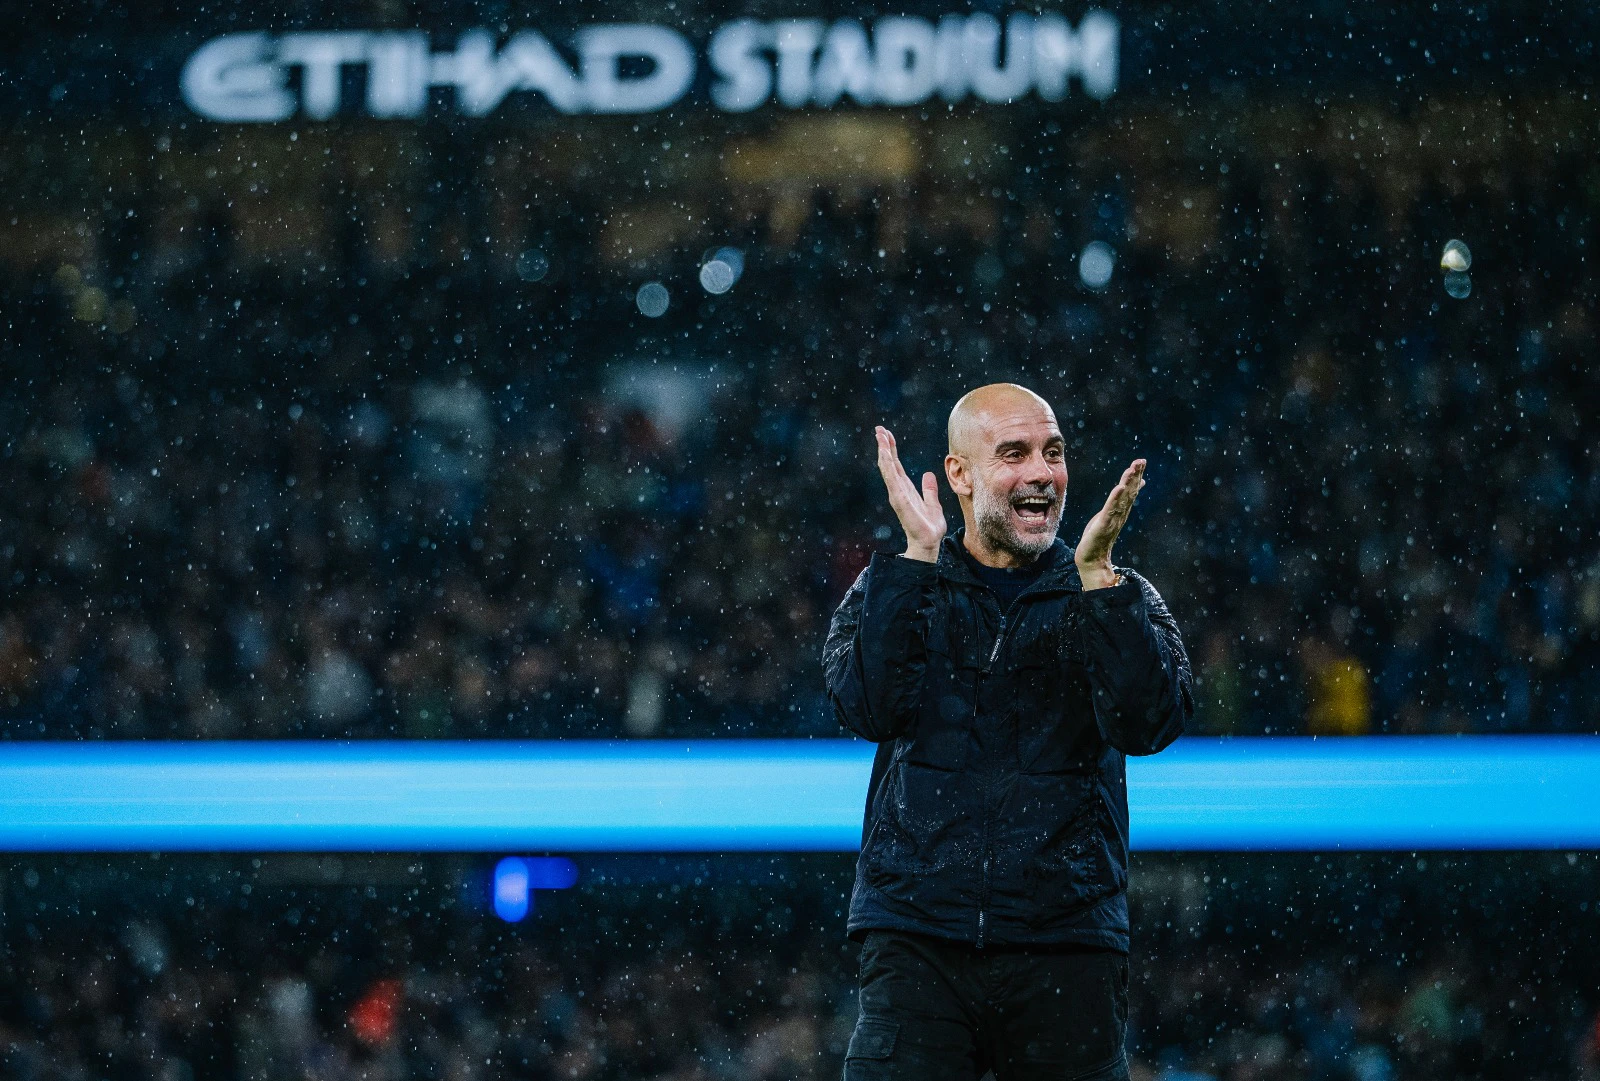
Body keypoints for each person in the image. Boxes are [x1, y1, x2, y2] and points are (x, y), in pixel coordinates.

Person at [823, 383, 1194, 1081]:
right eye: (1014, 453)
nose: (1041, 473)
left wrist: (1099, 585)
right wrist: (913, 564)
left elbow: (1150, 723)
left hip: (1066, 944)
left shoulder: (1113, 589)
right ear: (959, 474)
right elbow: (866, 709)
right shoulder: (900, 585)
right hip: (917, 940)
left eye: (1053, 453)